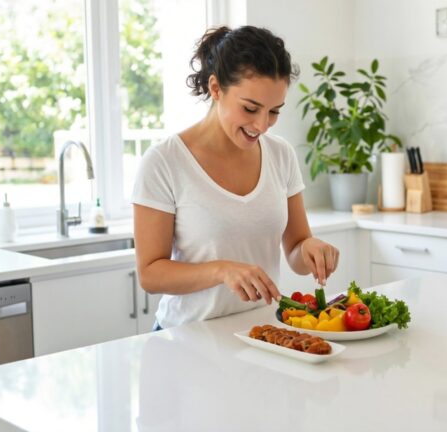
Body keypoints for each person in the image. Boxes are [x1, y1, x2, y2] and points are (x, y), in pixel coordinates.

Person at [132, 26, 339, 330]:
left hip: (261, 334)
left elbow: (295, 248)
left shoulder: (280, 155)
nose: (263, 125)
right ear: (216, 89)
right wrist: (221, 271)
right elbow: (150, 274)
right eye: (250, 108)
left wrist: (310, 249)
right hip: (186, 339)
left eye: (274, 112)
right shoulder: (165, 161)